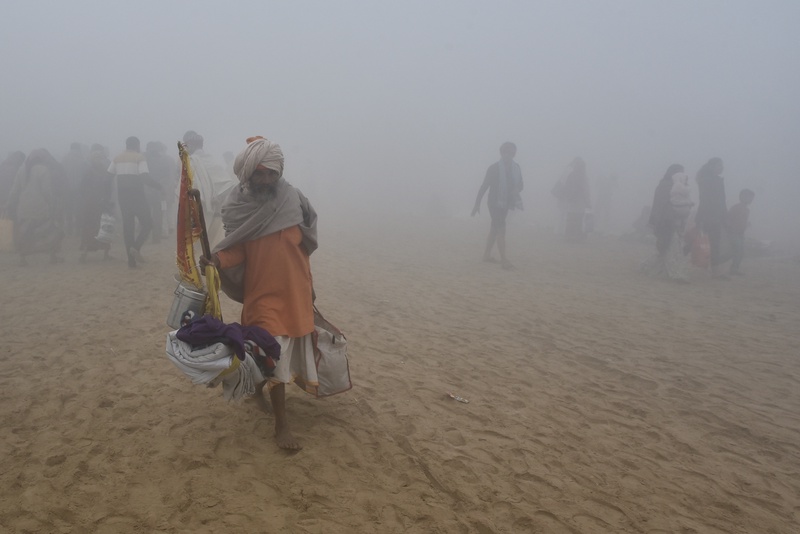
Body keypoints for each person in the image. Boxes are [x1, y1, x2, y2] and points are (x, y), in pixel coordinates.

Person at [200, 136, 318, 450]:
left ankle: (256, 391)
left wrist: (311, 288)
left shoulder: (294, 199)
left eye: (271, 174)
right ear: (247, 174)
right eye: (259, 173)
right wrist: (217, 259)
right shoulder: (238, 207)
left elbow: (303, 246)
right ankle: (282, 426)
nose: (266, 180)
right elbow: (236, 250)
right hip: (263, 293)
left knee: (270, 353)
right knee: (275, 352)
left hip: (296, 290)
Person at [109, 136, 161, 268]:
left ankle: (131, 261)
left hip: (123, 197)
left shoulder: (117, 158)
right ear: (137, 145)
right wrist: (159, 186)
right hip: (137, 196)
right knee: (148, 223)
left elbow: (108, 176)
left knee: (128, 227)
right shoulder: (139, 157)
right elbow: (145, 177)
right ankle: (136, 248)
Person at [6, 149, 65, 265]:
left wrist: (9, 203)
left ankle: (23, 258)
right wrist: (51, 203)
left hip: (23, 208)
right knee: (48, 231)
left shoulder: (22, 170)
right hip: (40, 208)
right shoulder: (43, 170)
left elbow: (15, 190)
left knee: (26, 233)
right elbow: (47, 191)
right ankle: (52, 256)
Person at [471, 142, 523, 269]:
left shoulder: (516, 168)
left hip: (506, 203)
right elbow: (484, 186)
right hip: (494, 203)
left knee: (494, 228)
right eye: (506, 152)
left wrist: (517, 189)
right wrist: (477, 204)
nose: (508, 155)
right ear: (501, 153)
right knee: (501, 229)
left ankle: (486, 255)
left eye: (511, 153)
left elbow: (521, 184)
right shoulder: (494, 168)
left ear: (514, 154)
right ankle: (504, 259)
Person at [182, 131, 237, 248]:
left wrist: (213, 199)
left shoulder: (193, 161)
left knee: (207, 243)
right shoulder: (197, 160)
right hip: (207, 207)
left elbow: (227, 184)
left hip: (210, 209)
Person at [641, 164, 692, 282]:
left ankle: (649, 267)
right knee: (670, 246)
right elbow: (659, 205)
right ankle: (676, 274)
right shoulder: (665, 186)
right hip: (666, 221)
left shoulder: (680, 187)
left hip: (676, 221)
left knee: (669, 247)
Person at [79, 144, 114, 262]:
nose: (99, 160)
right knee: (92, 228)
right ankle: (84, 254)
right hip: (92, 205)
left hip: (101, 204)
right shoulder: (89, 171)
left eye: (100, 158)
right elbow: (83, 188)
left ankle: (105, 254)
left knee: (104, 228)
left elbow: (108, 187)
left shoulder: (104, 171)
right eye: (96, 158)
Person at [695, 157, 728, 278]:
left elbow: (721, 200)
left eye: (722, 165)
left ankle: (714, 269)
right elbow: (706, 200)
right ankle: (715, 271)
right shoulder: (708, 181)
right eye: (719, 165)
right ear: (711, 167)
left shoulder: (714, 180)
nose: (721, 167)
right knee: (712, 243)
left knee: (705, 242)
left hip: (713, 215)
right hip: (710, 215)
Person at [145, 141, 177, 243]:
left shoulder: (146, 159)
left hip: (151, 191)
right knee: (162, 212)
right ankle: (160, 234)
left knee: (157, 212)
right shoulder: (167, 160)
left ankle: (160, 233)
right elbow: (171, 175)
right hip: (162, 190)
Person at [557, 157, 591, 242]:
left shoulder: (572, 175)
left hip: (573, 200)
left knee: (572, 218)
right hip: (579, 201)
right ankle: (578, 236)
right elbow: (586, 190)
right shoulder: (583, 176)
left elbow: (567, 186)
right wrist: (588, 201)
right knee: (578, 218)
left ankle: (570, 236)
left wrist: (568, 196)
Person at [61, 142, 89, 236]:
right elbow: (85, 174)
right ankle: (78, 229)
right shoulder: (81, 159)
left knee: (68, 208)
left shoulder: (64, 158)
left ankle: (69, 228)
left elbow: (61, 173)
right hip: (79, 188)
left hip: (66, 187)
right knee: (78, 209)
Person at [727, 188, 755, 276]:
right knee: (737, 250)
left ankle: (734, 269)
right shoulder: (736, 207)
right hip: (733, 233)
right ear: (741, 197)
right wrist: (730, 229)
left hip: (740, 233)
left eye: (751, 198)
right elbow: (728, 219)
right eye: (748, 197)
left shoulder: (747, 210)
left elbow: (741, 221)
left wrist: (746, 225)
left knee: (740, 251)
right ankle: (732, 269)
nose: (750, 199)